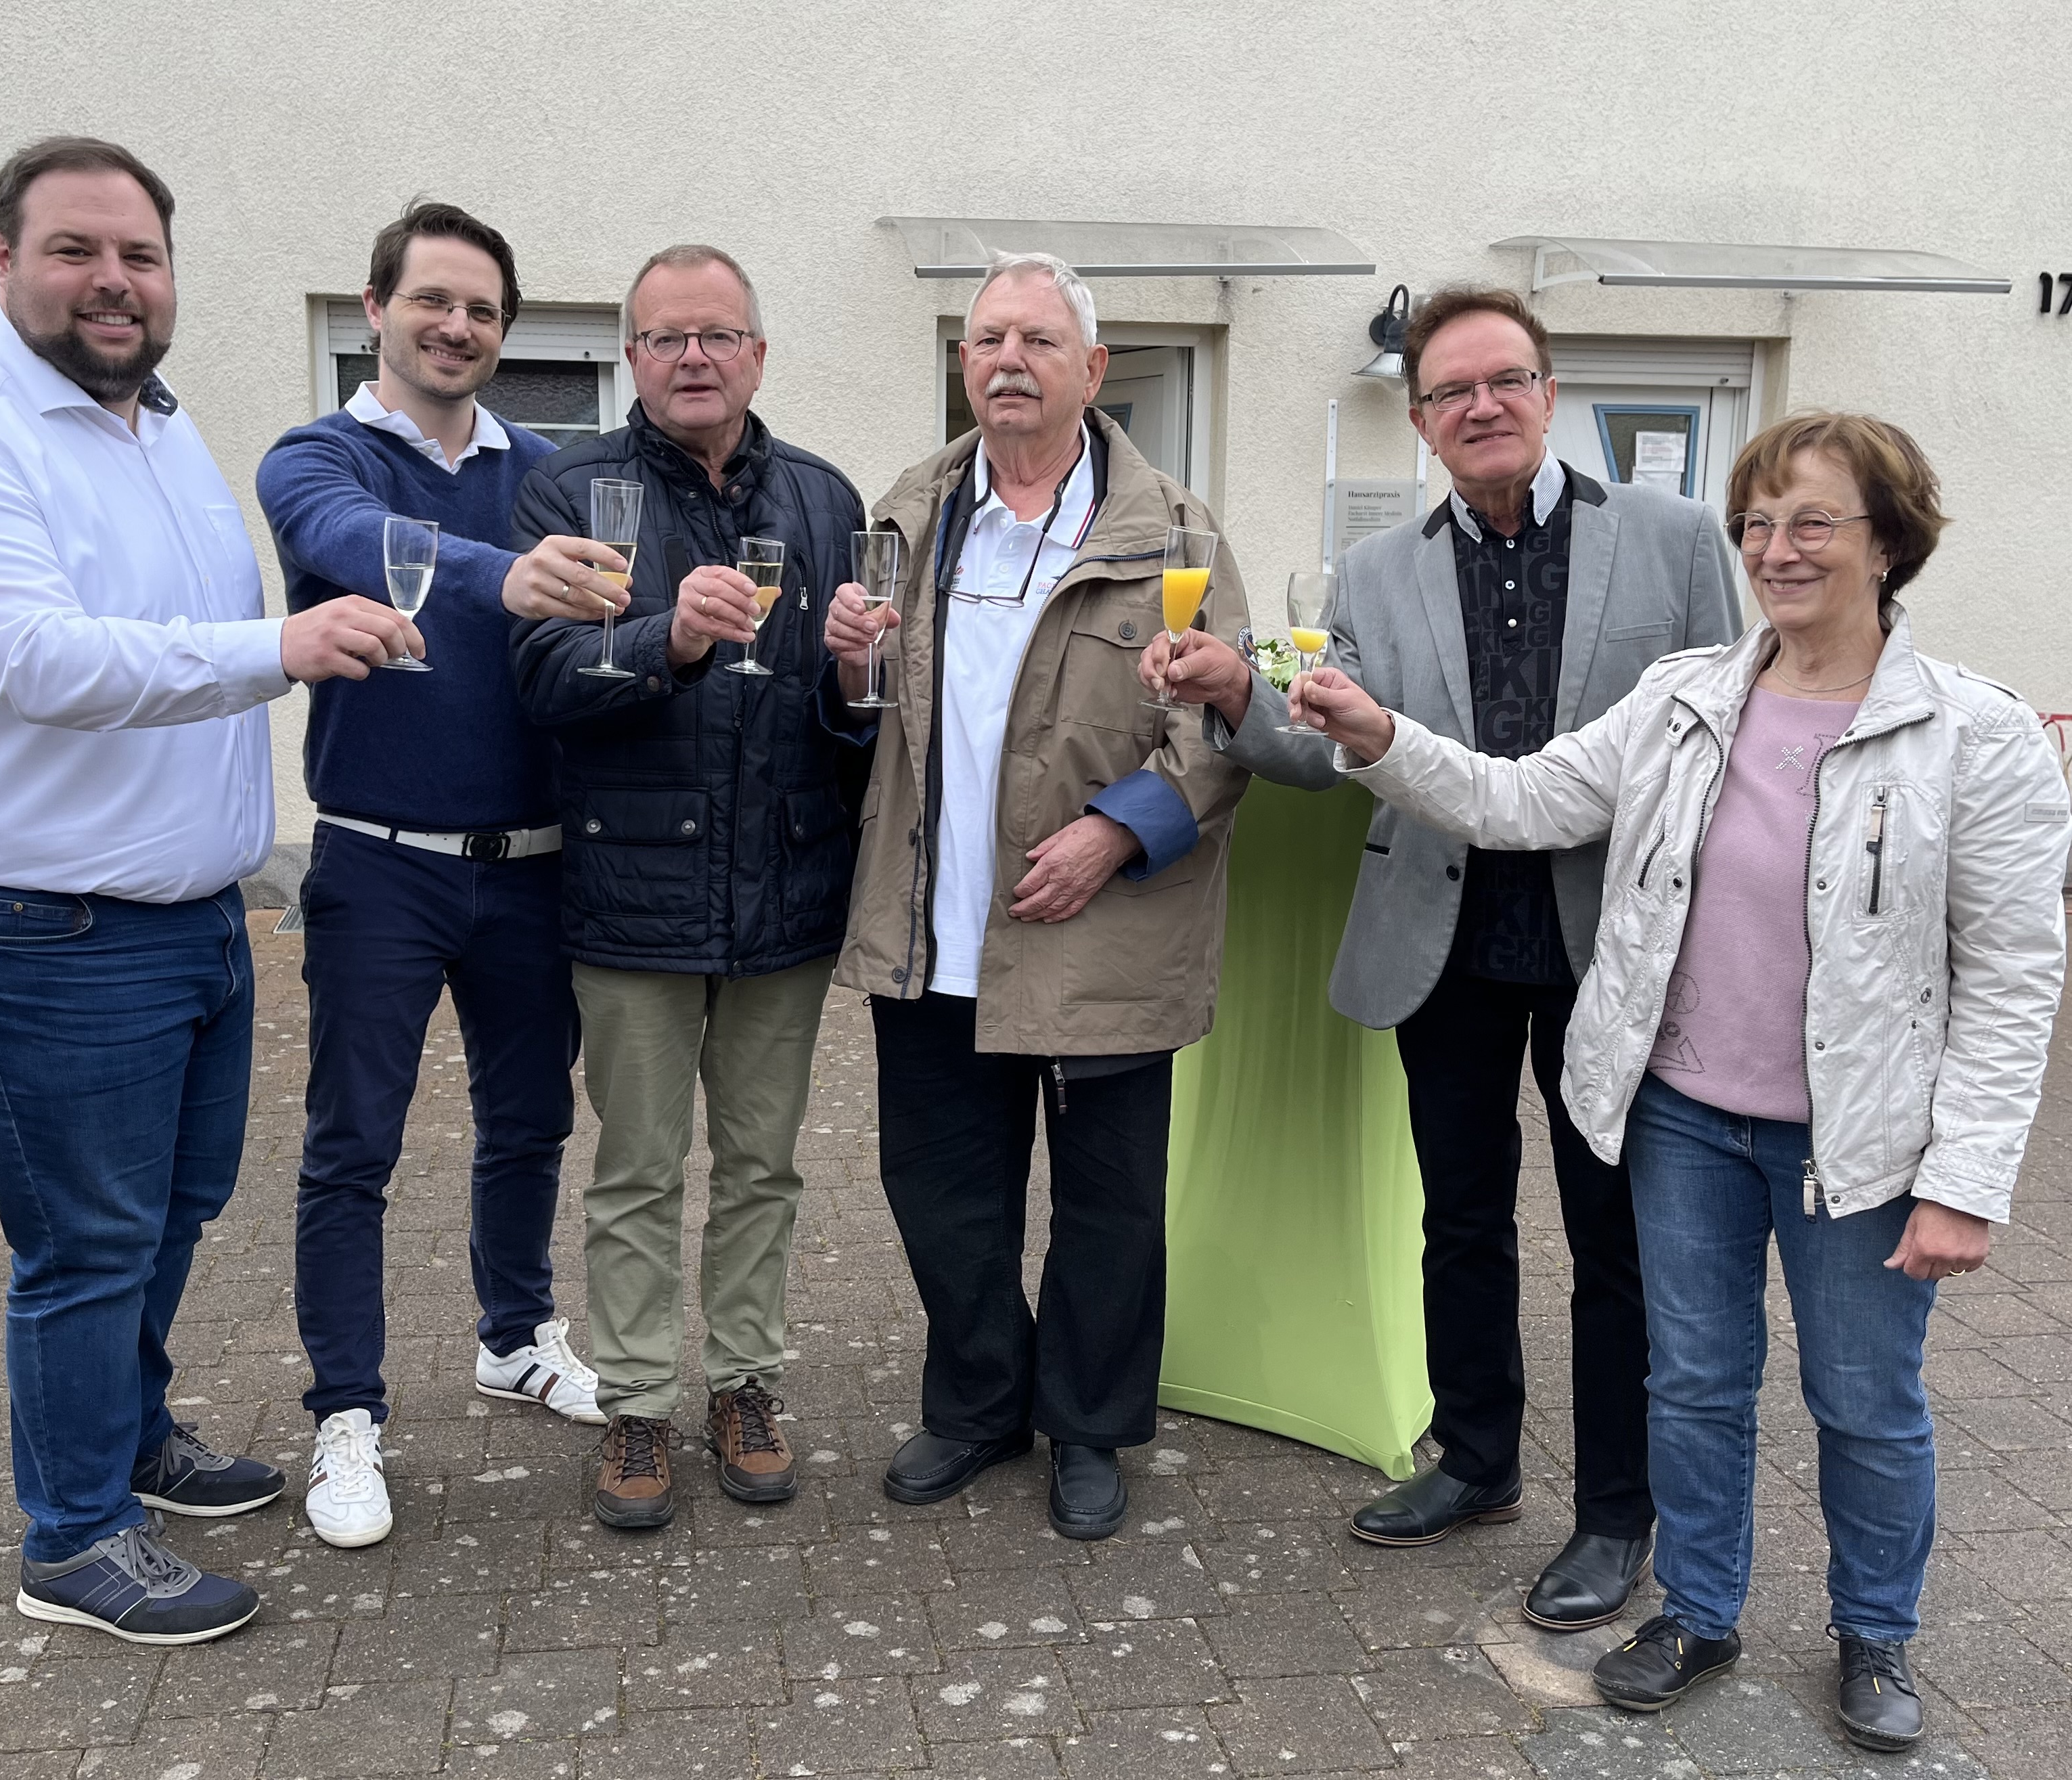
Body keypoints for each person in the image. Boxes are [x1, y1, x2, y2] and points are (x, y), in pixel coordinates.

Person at [1295, 411, 2069, 1751]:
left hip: (1858, 1140)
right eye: (1757, 523)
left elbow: (2010, 978)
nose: (1776, 549)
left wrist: (1964, 1182)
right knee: (1695, 1384)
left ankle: (1874, 1630)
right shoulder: (1683, 698)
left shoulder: (1974, 733)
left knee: (1862, 1402)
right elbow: (1520, 801)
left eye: (1812, 521)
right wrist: (1378, 736)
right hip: (1684, 1116)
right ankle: (1698, 1611)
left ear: (1888, 541)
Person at [0, 137, 426, 1644]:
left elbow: (164, 632)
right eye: (76, 250)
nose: (114, 282)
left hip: (185, 913)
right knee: (87, 1242)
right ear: (1, 259)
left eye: (140, 256)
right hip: (33, 920)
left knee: (172, 1208)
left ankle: (133, 1439)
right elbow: (42, 661)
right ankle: (76, 1534)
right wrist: (283, 649)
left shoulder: (152, 422)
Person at [1148, 286, 1741, 1629]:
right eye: (1451, 391)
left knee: (1614, 1241)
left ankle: (1616, 1511)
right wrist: (1240, 691)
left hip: (1608, 954)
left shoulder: (1672, 539)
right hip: (1444, 942)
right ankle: (1475, 1459)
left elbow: (1719, 735)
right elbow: (1329, 749)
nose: (1481, 407)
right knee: (1459, 1220)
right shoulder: (1371, 573)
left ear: (1548, 391)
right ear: (1418, 420)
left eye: (1505, 380)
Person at [826, 251, 1250, 1542]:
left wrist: (1115, 836)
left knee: (1108, 1205)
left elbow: (1222, 729)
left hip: (1101, 930)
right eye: (986, 339)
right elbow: (862, 725)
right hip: (929, 926)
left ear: (1092, 368)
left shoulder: (1173, 531)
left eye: (1036, 340)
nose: (1006, 359)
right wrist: (843, 674)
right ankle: (977, 1403)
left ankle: (1088, 1423)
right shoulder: (904, 518)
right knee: (940, 1194)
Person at [256, 202, 626, 1550]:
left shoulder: (547, 468)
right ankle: (346, 1412)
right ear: (376, 308)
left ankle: (513, 1337)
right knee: (351, 1146)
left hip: (532, 865)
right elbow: (359, 541)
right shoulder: (316, 457)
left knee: (530, 1122)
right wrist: (508, 574)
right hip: (379, 865)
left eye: (480, 309)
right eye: (432, 300)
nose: (456, 326)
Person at [509, 245, 867, 1530]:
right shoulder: (571, 490)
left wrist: (854, 678)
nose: (694, 357)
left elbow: (852, 716)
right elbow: (540, 681)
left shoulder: (824, 496)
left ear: (758, 354)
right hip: (632, 894)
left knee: (763, 1166)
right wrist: (667, 636)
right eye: (666, 337)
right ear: (632, 359)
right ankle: (637, 1404)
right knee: (638, 1170)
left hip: (785, 893)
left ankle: (747, 1386)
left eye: (717, 334)